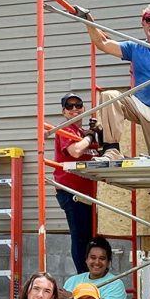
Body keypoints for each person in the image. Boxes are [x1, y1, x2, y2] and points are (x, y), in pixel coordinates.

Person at [81, 3, 150, 162]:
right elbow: (102, 44)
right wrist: (87, 20)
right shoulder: (135, 47)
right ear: (143, 23)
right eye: (149, 20)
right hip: (138, 105)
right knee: (109, 96)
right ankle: (112, 150)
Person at [53, 91, 112, 273]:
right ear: (64, 111)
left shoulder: (82, 132)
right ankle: (83, 276)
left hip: (87, 194)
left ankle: (90, 275)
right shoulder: (66, 128)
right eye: (69, 106)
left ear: (84, 108)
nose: (74, 109)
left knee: (89, 238)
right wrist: (90, 137)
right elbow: (76, 151)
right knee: (80, 237)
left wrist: (97, 134)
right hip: (72, 192)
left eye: (78, 105)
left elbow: (100, 153)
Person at [61, 236, 129, 299]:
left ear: (108, 262)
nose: (97, 262)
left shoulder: (115, 284)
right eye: (93, 257)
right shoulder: (72, 281)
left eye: (102, 258)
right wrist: (54, 298)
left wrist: (72, 298)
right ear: (86, 259)